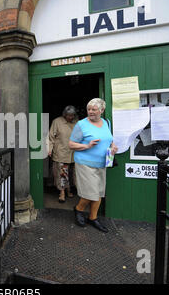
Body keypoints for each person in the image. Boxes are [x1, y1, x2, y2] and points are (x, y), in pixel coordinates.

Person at [68, 98, 118, 233]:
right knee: (91, 193)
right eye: (89, 109)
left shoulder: (107, 123)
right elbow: (71, 144)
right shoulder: (81, 124)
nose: (90, 112)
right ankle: (78, 209)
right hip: (85, 164)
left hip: (102, 163)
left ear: (101, 110)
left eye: (94, 109)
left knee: (100, 193)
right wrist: (87, 145)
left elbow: (109, 140)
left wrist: (113, 147)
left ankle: (93, 218)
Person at [47, 105, 78, 203]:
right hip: (61, 151)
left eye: (72, 115)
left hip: (74, 152)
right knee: (62, 173)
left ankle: (69, 189)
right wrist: (49, 149)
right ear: (64, 114)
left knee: (72, 173)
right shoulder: (57, 122)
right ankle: (62, 192)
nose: (71, 117)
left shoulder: (77, 122)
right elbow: (51, 137)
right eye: (69, 115)